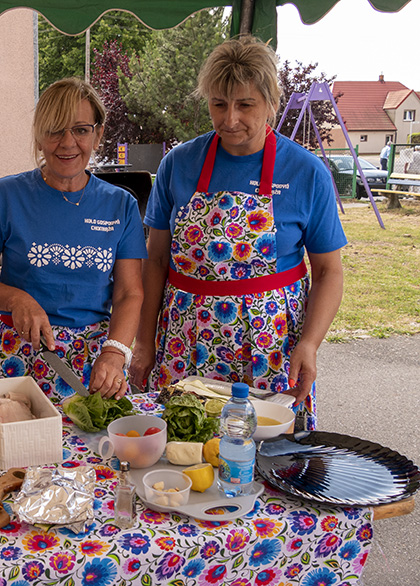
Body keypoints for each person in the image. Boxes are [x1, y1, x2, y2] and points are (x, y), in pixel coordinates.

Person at [128, 37, 347, 431]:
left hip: (270, 345)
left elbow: (329, 271)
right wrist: (144, 341)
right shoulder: (178, 164)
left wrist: (310, 344)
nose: (230, 119)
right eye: (218, 104)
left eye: (245, 105)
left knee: (264, 452)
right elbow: (156, 259)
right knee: (183, 445)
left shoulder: (306, 172)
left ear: (270, 102)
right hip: (185, 335)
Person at [0, 78, 147, 405]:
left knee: (98, 453)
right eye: (55, 130)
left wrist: (115, 354)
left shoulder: (121, 205)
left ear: (98, 134)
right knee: (12, 452)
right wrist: (18, 299)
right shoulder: (5, 196)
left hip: (94, 362)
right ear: (38, 135)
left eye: (80, 130)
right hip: (18, 354)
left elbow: (130, 292)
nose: (67, 143)